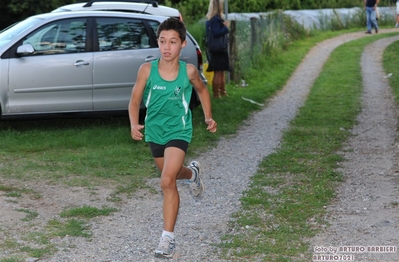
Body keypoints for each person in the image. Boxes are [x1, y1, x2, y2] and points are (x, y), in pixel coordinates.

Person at [128, 17, 217, 258]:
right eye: (163, 41)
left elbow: (202, 89)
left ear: (183, 44)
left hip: (179, 131)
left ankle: (168, 239)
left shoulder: (188, 71)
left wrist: (208, 116)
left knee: (166, 181)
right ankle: (193, 174)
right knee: (174, 174)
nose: (167, 47)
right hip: (155, 132)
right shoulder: (147, 70)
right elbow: (135, 100)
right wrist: (134, 122)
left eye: (173, 42)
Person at [205, 0, 230, 98]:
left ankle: (223, 92)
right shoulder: (216, 19)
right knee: (218, 71)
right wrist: (225, 27)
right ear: (219, 6)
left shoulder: (210, 20)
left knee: (221, 70)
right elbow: (216, 32)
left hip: (216, 48)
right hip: (219, 49)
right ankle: (217, 94)